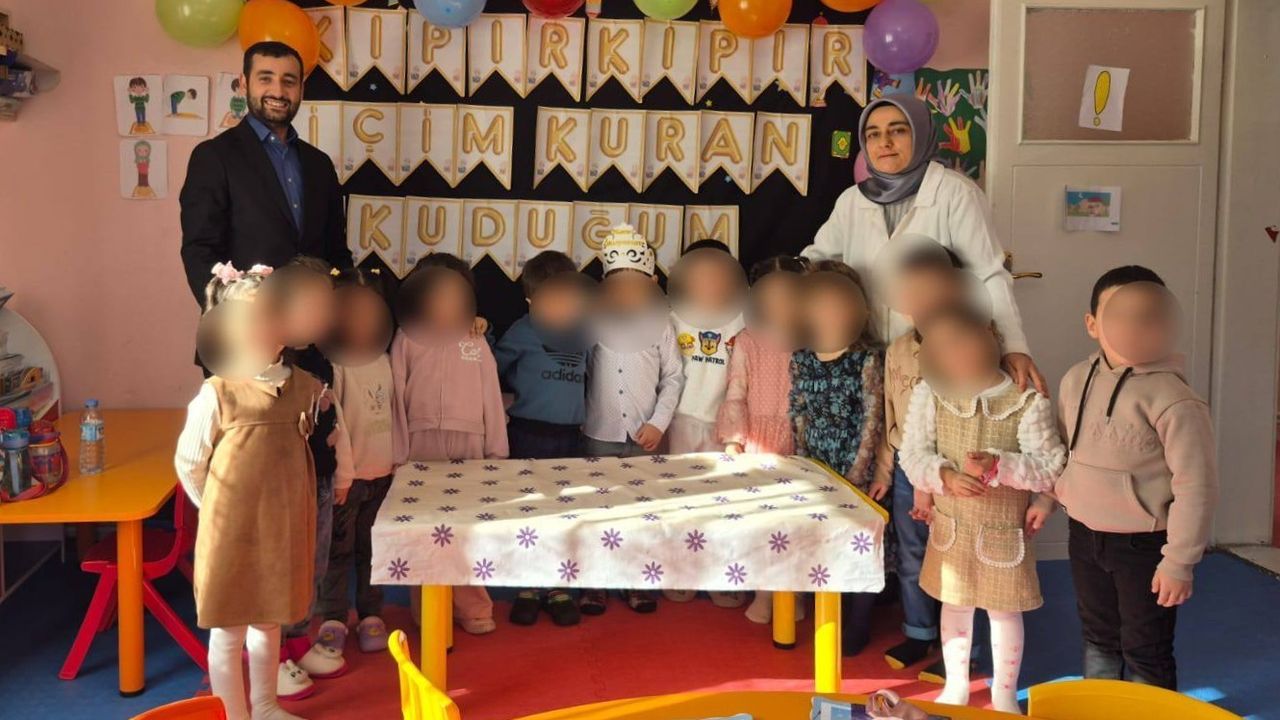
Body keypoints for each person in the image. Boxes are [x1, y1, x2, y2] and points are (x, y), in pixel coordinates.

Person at [800, 95, 1046, 396]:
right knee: (881, 424)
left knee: (926, 423)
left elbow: (989, 273)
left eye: (898, 130)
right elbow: (817, 261)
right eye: (873, 134)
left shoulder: (955, 193)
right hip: (867, 356)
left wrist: (1014, 346)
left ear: (921, 134)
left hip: (940, 354)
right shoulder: (851, 201)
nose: (884, 142)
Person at [1053, 266, 1217, 689]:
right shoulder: (1075, 379)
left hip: (1143, 544)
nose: (1131, 327)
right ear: (1093, 324)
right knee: (1098, 637)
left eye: (1146, 317)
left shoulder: (1176, 401)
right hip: (1083, 533)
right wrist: (1045, 497)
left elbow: (1196, 486)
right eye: (1118, 315)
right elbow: (1063, 451)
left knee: (1146, 647)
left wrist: (1178, 562)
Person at [899, 305, 1065, 714]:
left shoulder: (1026, 400)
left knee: (1004, 611)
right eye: (940, 347)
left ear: (989, 332)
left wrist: (999, 466)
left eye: (960, 341)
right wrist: (942, 476)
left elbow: (1049, 466)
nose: (952, 354)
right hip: (952, 528)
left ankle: (1004, 694)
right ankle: (956, 686)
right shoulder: (930, 394)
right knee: (954, 604)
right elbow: (913, 455)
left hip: (1002, 531)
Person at [174, 263, 322, 720]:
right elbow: (190, 462)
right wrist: (218, 509)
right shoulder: (217, 393)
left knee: (269, 620)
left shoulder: (304, 387)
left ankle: (264, 705)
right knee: (228, 629)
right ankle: (233, 713)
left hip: (281, 531)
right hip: (231, 535)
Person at [180, 41, 350, 308]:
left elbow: (336, 252)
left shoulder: (319, 164)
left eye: (289, 81)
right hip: (245, 324)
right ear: (244, 83)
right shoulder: (214, 157)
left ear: (301, 88)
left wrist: (340, 307)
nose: (278, 91)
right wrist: (232, 315)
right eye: (265, 78)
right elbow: (200, 251)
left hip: (315, 324)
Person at [392, 255, 507, 635]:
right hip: (420, 445)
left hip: (468, 443)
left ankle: (474, 607)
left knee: (465, 530)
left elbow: (491, 394)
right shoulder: (406, 338)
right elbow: (395, 394)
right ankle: (428, 613)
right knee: (424, 530)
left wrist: (496, 451)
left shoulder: (475, 339)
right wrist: (398, 451)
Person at [580, 224, 685, 616]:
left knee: (640, 509)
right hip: (599, 433)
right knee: (598, 508)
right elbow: (579, 369)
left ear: (653, 284)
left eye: (634, 285)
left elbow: (673, 377)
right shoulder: (593, 322)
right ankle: (595, 584)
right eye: (617, 285)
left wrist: (659, 422)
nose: (625, 293)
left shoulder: (662, 324)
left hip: (645, 437)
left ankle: (637, 581)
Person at [875, 242, 968, 678]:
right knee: (912, 553)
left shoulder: (973, 343)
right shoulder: (896, 349)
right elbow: (890, 415)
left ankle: (962, 647)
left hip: (954, 470)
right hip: (907, 468)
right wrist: (886, 468)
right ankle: (919, 631)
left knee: (959, 558)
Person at [788, 260, 884, 656]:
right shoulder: (802, 358)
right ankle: (828, 613)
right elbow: (797, 410)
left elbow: (873, 418)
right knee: (823, 541)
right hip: (816, 467)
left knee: (859, 543)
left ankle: (858, 623)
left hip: (854, 467)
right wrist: (801, 464)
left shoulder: (867, 360)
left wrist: (859, 470)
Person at [495, 250, 591, 627]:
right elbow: (492, 369)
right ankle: (529, 587)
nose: (563, 307)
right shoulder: (522, 331)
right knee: (530, 513)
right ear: (531, 301)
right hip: (528, 434)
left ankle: (558, 586)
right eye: (553, 300)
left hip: (570, 438)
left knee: (564, 513)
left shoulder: (585, 331)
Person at [716, 254, 808, 624]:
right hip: (758, 440)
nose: (781, 305)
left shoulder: (812, 339)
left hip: (800, 442)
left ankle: (793, 592)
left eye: (791, 296)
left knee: (796, 522)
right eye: (772, 297)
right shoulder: (748, 341)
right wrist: (733, 439)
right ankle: (763, 592)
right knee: (761, 522)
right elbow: (736, 391)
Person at [315, 268, 396, 656]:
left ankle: (370, 613)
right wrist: (344, 477)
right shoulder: (336, 366)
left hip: (383, 474)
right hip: (350, 481)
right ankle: (332, 618)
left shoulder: (384, 360)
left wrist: (399, 460)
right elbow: (339, 428)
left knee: (373, 549)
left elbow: (396, 414)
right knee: (338, 552)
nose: (362, 324)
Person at [664, 239, 748, 608]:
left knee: (723, 500)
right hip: (679, 422)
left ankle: (721, 574)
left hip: (724, 427)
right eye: (700, 277)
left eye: (718, 277)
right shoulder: (671, 315)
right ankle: (680, 570)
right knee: (678, 499)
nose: (710, 285)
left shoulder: (745, 317)